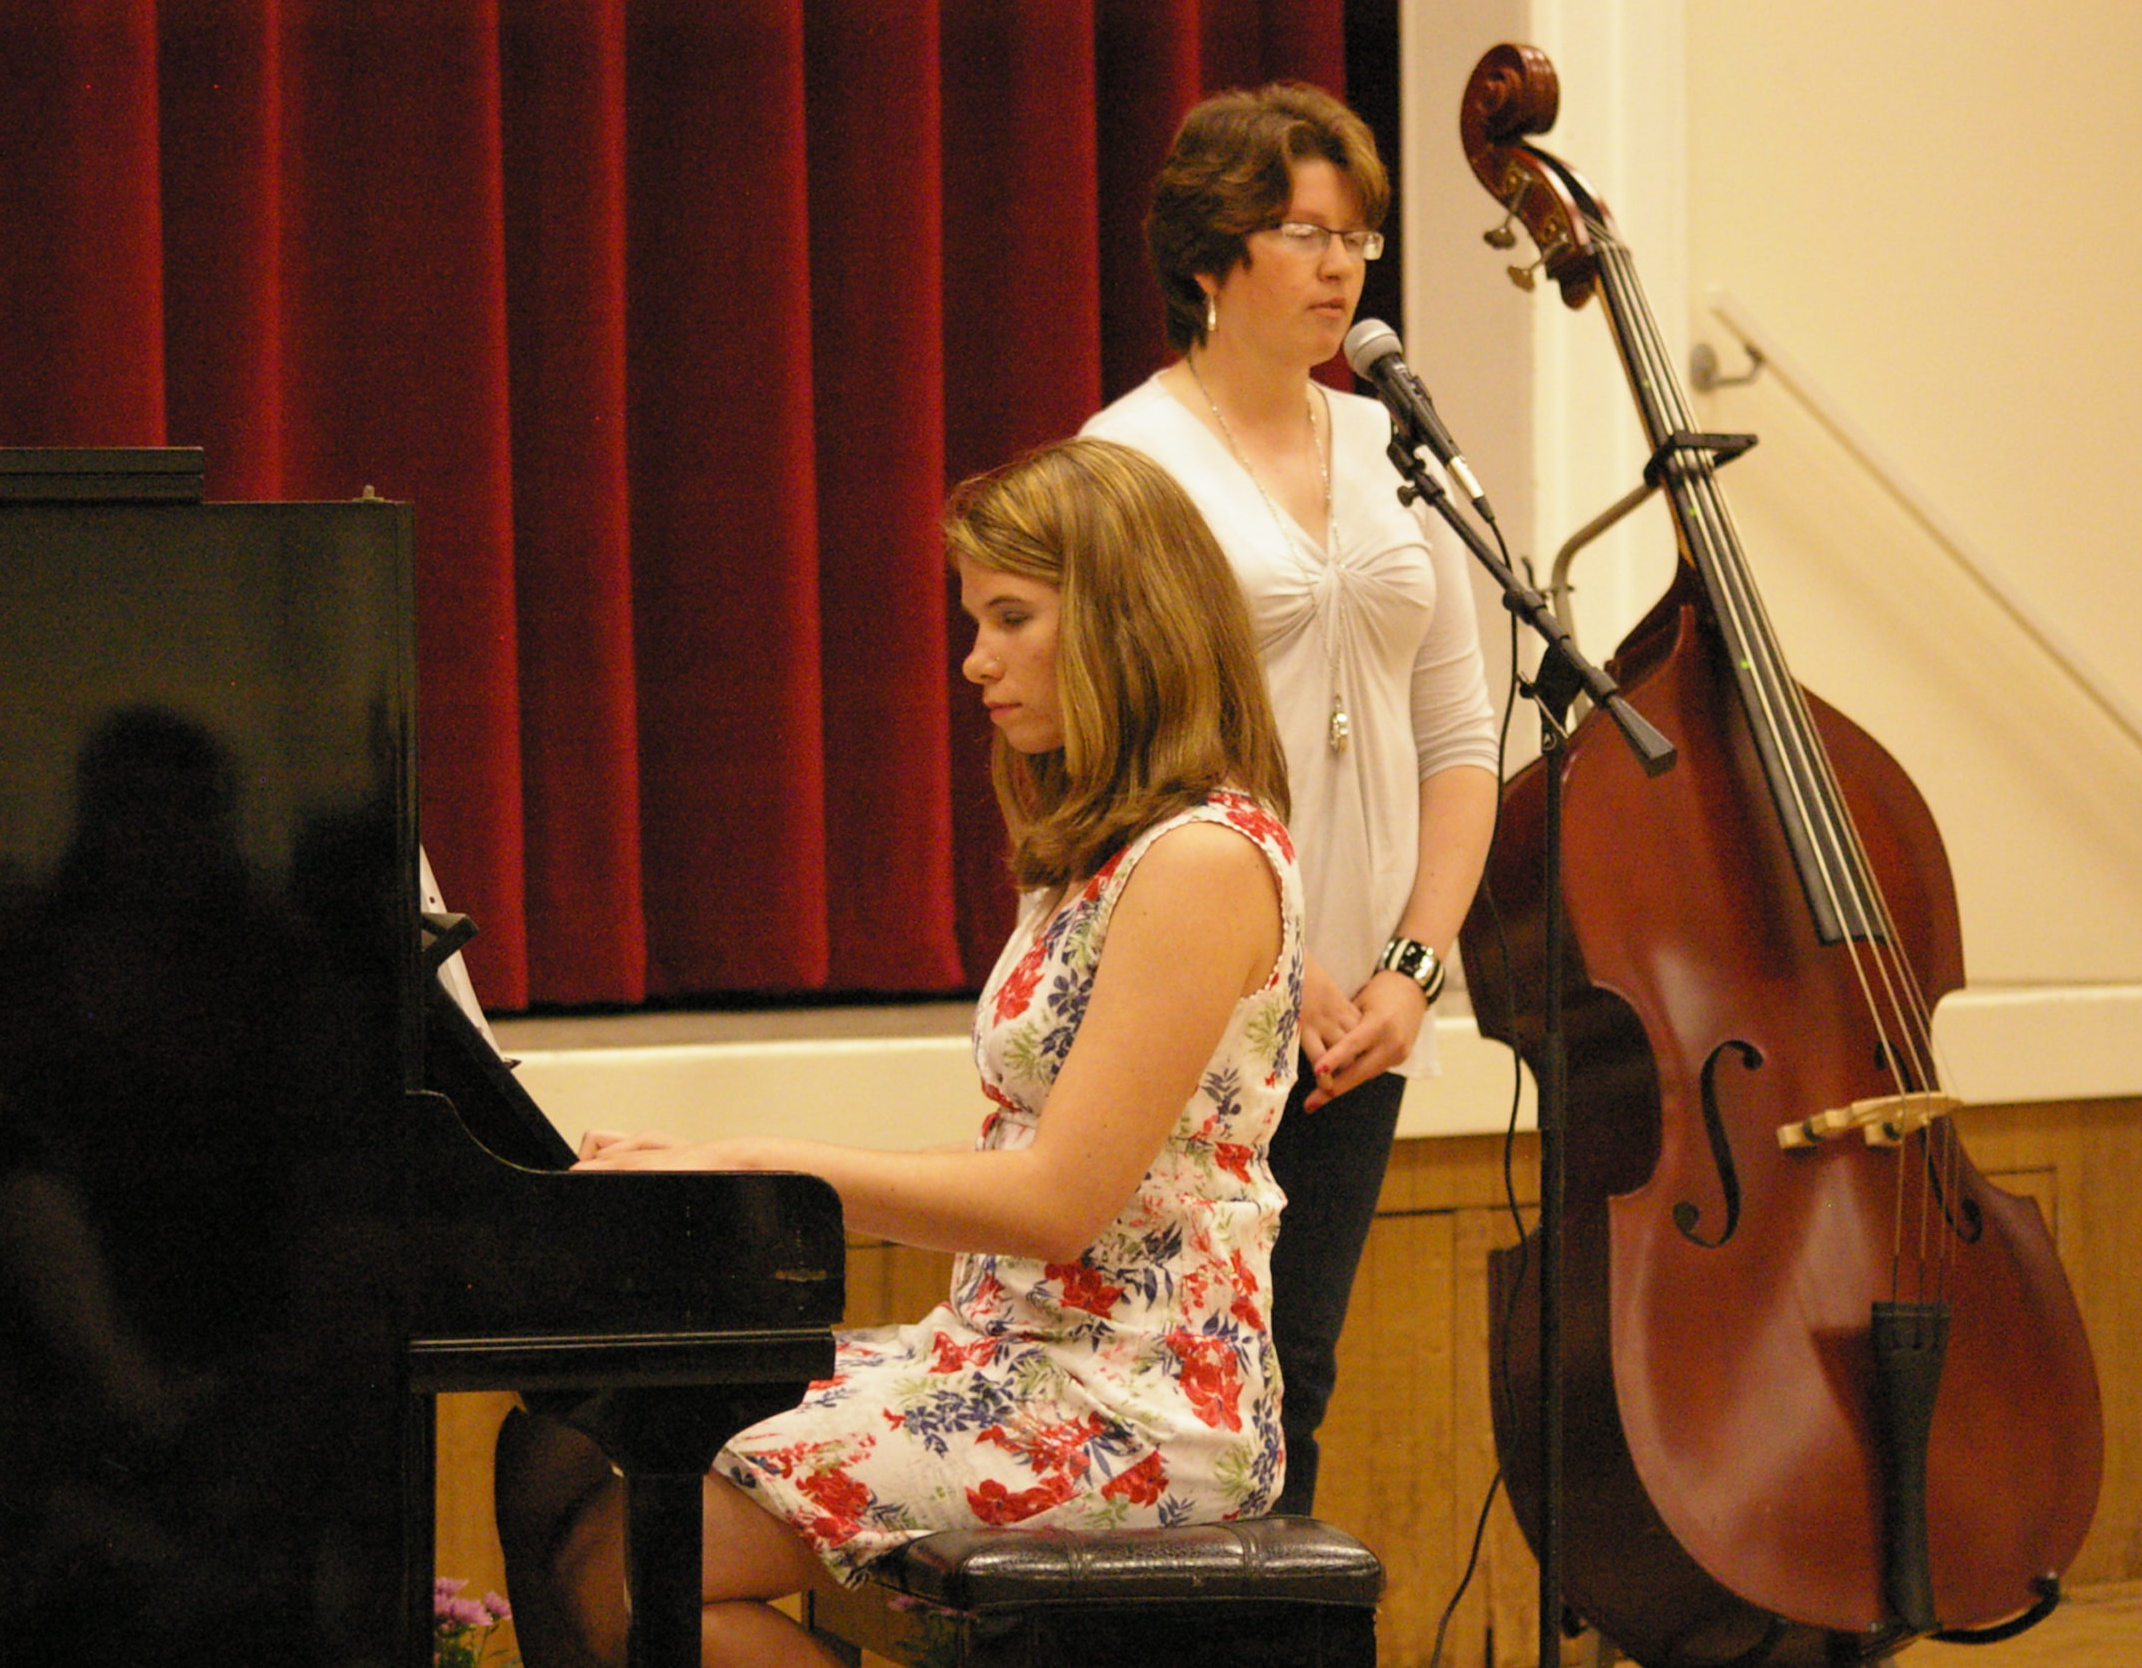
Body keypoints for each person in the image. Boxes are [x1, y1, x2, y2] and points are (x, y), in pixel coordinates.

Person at [495, 436, 1305, 1668]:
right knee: (557, 1448)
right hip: (1009, 1353)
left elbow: (1059, 1200)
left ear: (1125, 624)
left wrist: (761, 1161)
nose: (974, 658)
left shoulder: (1200, 861)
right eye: (975, 616)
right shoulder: (1102, 849)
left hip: (1130, 1405)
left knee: (628, 1570)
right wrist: (723, 1160)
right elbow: (1033, 1152)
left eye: (1011, 617)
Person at [1082, 81, 1502, 1518]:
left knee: (1292, 1374)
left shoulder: (1397, 451)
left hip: (1361, 1017)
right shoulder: (1131, 462)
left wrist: (1414, 961)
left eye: (1359, 238)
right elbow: (1118, 758)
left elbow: (1459, 727)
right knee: (1174, 1376)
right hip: (1192, 994)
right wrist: (1288, 961)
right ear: (1210, 256)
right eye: (1301, 233)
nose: (1339, 267)